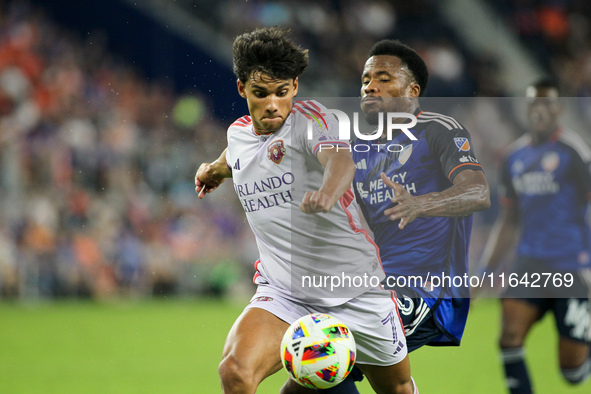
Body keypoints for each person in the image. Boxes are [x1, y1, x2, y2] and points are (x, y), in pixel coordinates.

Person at [198, 38, 490, 394]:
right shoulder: (240, 132)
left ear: (295, 88)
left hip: (358, 291)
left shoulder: (316, 122)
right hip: (284, 290)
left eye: (282, 92)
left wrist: (329, 192)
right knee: (236, 372)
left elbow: (339, 160)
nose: (272, 104)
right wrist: (213, 169)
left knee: (384, 387)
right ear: (243, 88)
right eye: (261, 93)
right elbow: (240, 153)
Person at [479, 78, 591, 393]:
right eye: (534, 104)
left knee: (572, 373)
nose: (540, 110)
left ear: (558, 109)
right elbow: (509, 220)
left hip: (571, 264)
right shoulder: (514, 158)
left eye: (547, 104)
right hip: (529, 264)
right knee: (509, 337)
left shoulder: (574, 151)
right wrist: (486, 272)